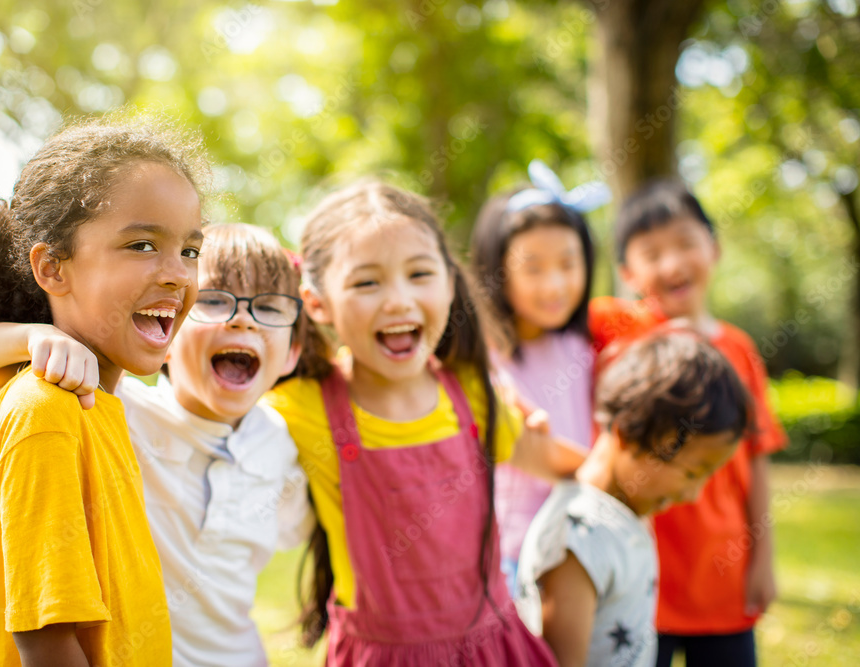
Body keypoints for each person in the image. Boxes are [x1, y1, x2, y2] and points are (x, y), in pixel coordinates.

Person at [0, 223, 316, 666]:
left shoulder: (282, 440)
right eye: (211, 301)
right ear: (163, 332)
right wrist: (35, 337)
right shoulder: (107, 404)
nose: (243, 319)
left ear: (292, 351)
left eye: (269, 306)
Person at [0, 117, 209, 665]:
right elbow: (46, 639)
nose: (177, 275)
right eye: (142, 245)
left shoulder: (101, 404)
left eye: (190, 250)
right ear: (52, 267)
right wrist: (33, 337)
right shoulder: (45, 409)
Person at [263, 180, 584, 665]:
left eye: (419, 274)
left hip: (491, 649)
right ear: (317, 302)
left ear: (450, 283)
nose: (398, 300)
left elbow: (555, 461)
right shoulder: (299, 408)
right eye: (367, 282)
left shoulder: (475, 394)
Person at [588, 179, 787, 667]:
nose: (672, 264)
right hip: (638, 579)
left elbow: (757, 462)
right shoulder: (621, 329)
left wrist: (763, 559)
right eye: (652, 254)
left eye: (685, 244)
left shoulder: (739, 350)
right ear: (627, 272)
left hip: (723, 578)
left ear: (714, 249)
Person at [516, 332, 749, 667]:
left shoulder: (624, 511)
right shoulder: (577, 538)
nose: (693, 494)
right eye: (690, 473)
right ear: (628, 434)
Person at [471, 160, 604, 594]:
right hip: (512, 559)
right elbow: (534, 453)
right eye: (533, 268)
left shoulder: (581, 346)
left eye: (569, 264)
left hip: (581, 547)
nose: (554, 286)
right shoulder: (483, 360)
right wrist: (618, 483)